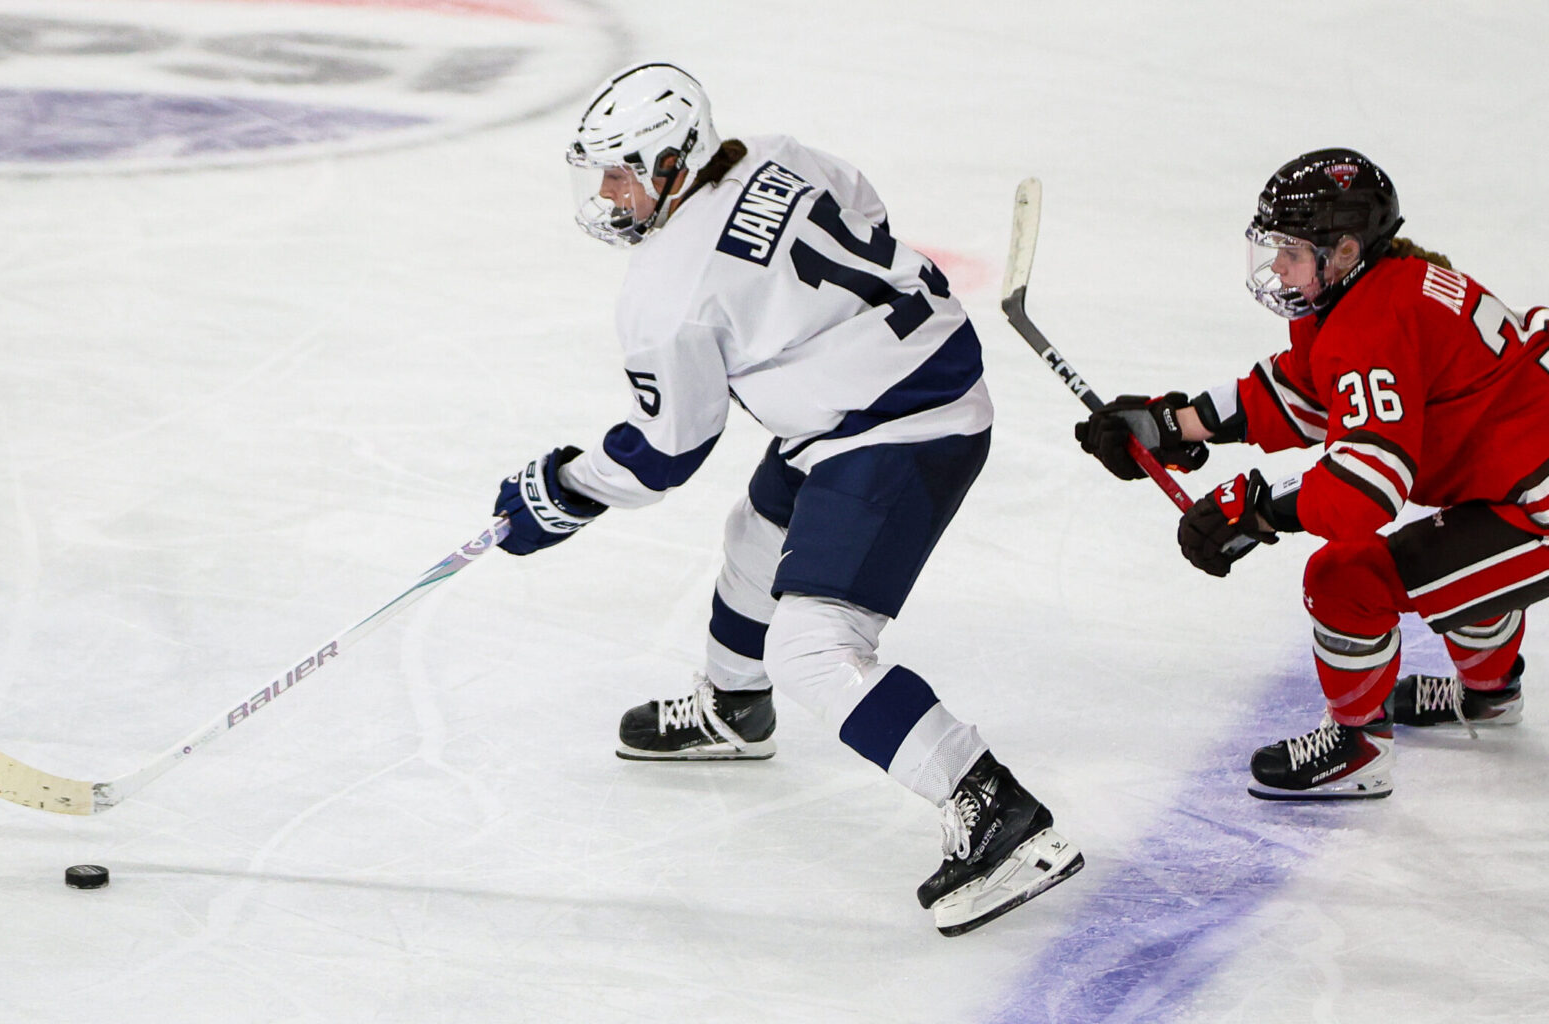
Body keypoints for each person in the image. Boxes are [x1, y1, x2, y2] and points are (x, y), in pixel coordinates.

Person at [490, 61, 1082, 936]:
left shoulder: (668, 293)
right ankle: (734, 705)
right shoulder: (776, 153)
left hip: (901, 427)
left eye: (623, 171)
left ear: (672, 162)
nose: (607, 194)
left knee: (812, 646)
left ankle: (996, 810)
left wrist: (563, 492)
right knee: (758, 531)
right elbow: (869, 214)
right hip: (884, 385)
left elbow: (666, 452)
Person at [1076, 148, 1548, 801]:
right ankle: (1491, 697)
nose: (1277, 266)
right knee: (1460, 546)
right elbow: (1301, 393)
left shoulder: (1373, 322)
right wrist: (1172, 424)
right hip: (1516, 473)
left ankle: (1356, 749)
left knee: (1345, 579)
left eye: (1291, 252)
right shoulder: (1369, 293)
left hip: (1537, 500)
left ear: (1346, 251)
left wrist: (1262, 512)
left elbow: (1366, 487)